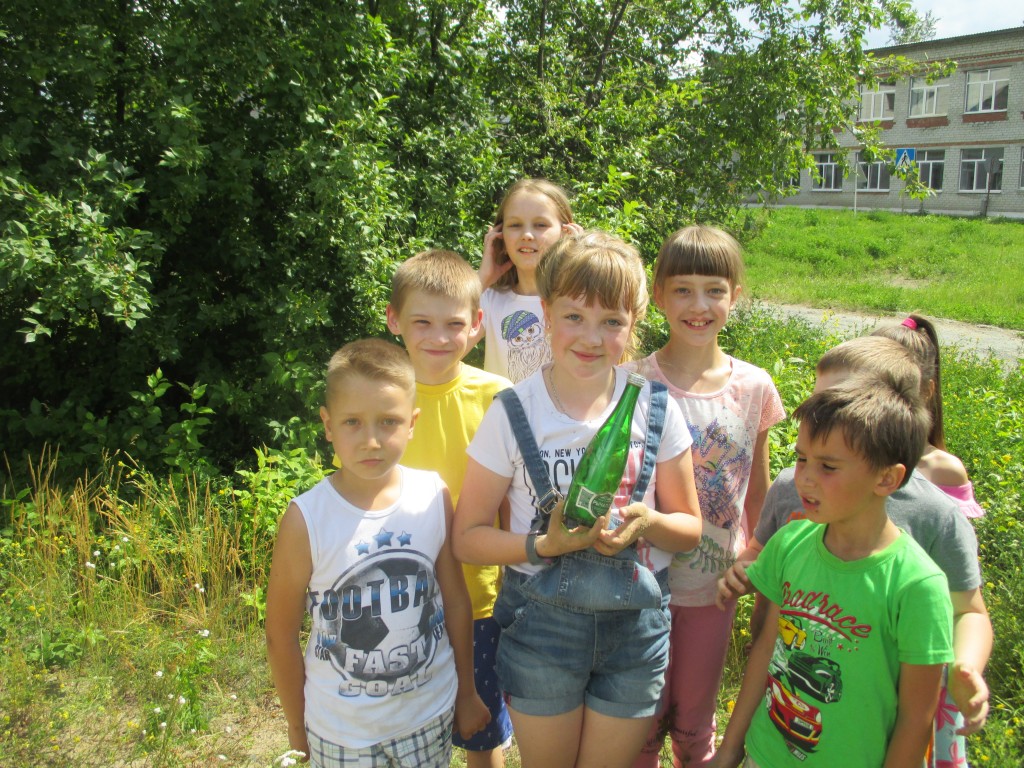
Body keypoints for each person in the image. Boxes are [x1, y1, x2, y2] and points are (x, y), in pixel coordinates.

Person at [453, 230, 704, 768]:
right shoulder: (513, 411)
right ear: (546, 313)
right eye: (574, 316)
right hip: (541, 628)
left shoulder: (656, 408)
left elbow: (689, 529)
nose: (591, 338)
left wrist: (648, 521)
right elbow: (467, 539)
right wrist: (542, 545)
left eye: (612, 321)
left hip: (635, 630)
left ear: (633, 325)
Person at [722, 336, 992, 765]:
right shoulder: (794, 518)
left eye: (828, 464)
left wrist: (967, 667)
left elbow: (919, 707)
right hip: (771, 738)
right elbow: (767, 641)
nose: (806, 476)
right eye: (802, 457)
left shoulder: (927, 546)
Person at [265, 339, 490, 767]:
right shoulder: (305, 519)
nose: (371, 440)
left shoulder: (432, 494)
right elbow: (280, 635)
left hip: (428, 714)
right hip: (342, 731)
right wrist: (297, 725)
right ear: (328, 425)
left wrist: (466, 692)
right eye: (352, 422)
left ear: (412, 422)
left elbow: (456, 600)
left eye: (388, 421)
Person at [627, 225, 785, 768]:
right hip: (638, 584)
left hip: (713, 588)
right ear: (659, 295)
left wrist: (757, 563)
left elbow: (758, 492)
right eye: (683, 290)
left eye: (714, 290)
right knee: (641, 722)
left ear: (735, 296)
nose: (699, 306)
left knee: (694, 722)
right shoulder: (632, 381)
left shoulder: (754, 387)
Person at [384, 249, 514, 768]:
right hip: (396, 602)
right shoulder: (378, 398)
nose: (439, 337)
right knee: (407, 731)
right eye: (422, 322)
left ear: (476, 324)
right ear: (394, 319)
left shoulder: (500, 397)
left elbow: (515, 501)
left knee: (480, 727)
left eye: (454, 324)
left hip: (480, 598)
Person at [873, 314, 985, 519]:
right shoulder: (848, 453)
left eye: (894, 384)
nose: (878, 395)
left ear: (927, 391)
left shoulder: (943, 469)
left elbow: (949, 535)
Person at [471, 178, 582, 382]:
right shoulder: (489, 299)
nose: (527, 235)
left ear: (565, 233)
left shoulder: (580, 302)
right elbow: (446, 349)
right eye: (515, 225)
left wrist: (581, 264)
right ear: (499, 235)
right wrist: (481, 280)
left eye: (540, 225)